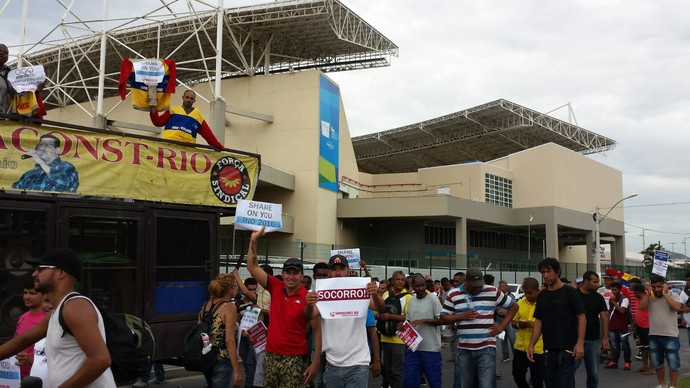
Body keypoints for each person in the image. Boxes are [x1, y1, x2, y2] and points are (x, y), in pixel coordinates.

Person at [0, 248, 116, 387]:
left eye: (41, 269)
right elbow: (24, 339)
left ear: (61, 273)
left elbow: (101, 360)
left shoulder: (75, 307)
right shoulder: (57, 312)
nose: (34, 273)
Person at [246, 227, 321, 387]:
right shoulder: (276, 286)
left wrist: (315, 363)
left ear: (301, 276)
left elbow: (317, 331)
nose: (291, 276)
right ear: (283, 273)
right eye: (288, 272)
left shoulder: (307, 297)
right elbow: (252, 267)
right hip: (271, 356)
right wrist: (254, 240)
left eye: (295, 273)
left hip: (294, 359)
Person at [304, 254, 383, 388]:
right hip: (332, 364)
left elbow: (379, 307)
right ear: (329, 272)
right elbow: (309, 315)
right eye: (334, 269)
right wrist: (309, 304)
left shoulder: (360, 288)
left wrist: (375, 295)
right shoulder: (322, 292)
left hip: (358, 364)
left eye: (342, 268)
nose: (338, 272)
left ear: (348, 270)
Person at [440, 268, 518, 388]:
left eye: (479, 285)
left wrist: (502, 326)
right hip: (464, 349)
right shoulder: (454, 294)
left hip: (486, 348)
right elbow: (443, 317)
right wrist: (462, 316)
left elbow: (514, 306)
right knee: (465, 385)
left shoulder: (492, 291)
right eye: (474, 286)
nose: (477, 288)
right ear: (466, 281)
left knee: (486, 385)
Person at [527, 258, 585, 388]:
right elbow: (539, 321)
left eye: (549, 271)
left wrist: (580, 343)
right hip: (549, 350)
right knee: (551, 383)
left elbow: (582, 318)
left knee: (565, 384)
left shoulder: (570, 292)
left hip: (568, 349)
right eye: (543, 272)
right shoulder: (542, 295)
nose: (546, 275)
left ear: (558, 272)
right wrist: (532, 345)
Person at [198, 272, 243, 388]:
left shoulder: (206, 305)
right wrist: (236, 369)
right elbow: (229, 340)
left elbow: (200, 331)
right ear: (230, 289)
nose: (237, 289)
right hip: (222, 358)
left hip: (207, 356)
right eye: (236, 286)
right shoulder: (229, 307)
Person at [638, 274, 683, 388]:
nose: (657, 289)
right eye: (654, 287)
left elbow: (677, 308)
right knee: (657, 363)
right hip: (654, 334)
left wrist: (665, 294)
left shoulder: (673, 295)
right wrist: (648, 293)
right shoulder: (650, 297)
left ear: (664, 285)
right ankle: (662, 384)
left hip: (670, 335)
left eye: (659, 287)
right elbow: (641, 307)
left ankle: (672, 385)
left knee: (673, 363)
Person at [403, 274, 443, 388]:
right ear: (413, 286)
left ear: (425, 285)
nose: (420, 288)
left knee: (434, 382)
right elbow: (409, 321)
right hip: (413, 349)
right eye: (417, 286)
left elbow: (442, 320)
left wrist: (425, 320)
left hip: (431, 349)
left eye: (422, 285)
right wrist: (402, 326)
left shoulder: (433, 299)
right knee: (409, 382)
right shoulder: (411, 300)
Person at [149, 89, 224, 150]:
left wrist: (219, 146)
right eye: (187, 97)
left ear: (194, 101)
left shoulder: (197, 114)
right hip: (168, 145)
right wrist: (153, 107)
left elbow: (208, 134)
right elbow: (157, 122)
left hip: (187, 150)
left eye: (191, 99)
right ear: (183, 97)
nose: (189, 100)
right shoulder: (172, 110)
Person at [378, 270, 412, 388]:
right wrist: (377, 314)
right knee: (387, 370)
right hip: (384, 337)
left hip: (399, 339)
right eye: (398, 279)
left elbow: (409, 317)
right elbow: (378, 309)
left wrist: (390, 316)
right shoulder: (386, 294)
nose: (400, 282)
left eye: (403, 280)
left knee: (396, 371)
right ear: (392, 281)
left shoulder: (408, 297)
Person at [12, 134, 79, 192]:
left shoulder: (66, 166)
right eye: (40, 145)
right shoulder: (28, 174)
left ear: (57, 150)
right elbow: (15, 192)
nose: (42, 148)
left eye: (47, 145)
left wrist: (41, 162)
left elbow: (63, 184)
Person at [576, 271, 609, 388]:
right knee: (569, 371)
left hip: (593, 339)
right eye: (594, 282)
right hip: (574, 340)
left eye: (598, 282)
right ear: (586, 281)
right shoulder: (574, 295)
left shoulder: (599, 298)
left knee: (593, 373)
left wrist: (605, 338)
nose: (597, 285)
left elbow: (604, 318)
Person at [511, 277, 544, 388]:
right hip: (520, 347)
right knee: (517, 375)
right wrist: (521, 324)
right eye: (525, 293)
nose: (527, 295)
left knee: (537, 379)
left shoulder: (544, 304)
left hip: (538, 348)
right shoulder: (519, 303)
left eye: (530, 293)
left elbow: (551, 325)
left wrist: (535, 325)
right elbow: (513, 322)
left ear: (537, 290)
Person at [14, 279, 46, 379]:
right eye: (25, 293)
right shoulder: (23, 317)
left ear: (44, 295)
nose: (27, 297)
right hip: (18, 377)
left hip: (39, 378)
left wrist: (32, 360)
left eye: (32, 293)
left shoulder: (48, 318)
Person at [233, 271, 259, 388]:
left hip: (253, 337)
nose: (252, 292)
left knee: (250, 362)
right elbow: (237, 319)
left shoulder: (256, 299)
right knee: (246, 363)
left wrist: (237, 276)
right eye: (250, 289)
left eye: (254, 289)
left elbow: (245, 292)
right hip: (242, 337)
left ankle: (250, 385)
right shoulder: (239, 303)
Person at [605, 281, 631, 370]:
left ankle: (627, 362)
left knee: (625, 345)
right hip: (613, 325)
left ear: (620, 290)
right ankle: (614, 361)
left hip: (623, 326)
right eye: (612, 289)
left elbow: (622, 311)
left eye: (615, 289)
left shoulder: (624, 299)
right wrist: (608, 323)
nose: (613, 291)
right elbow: (609, 311)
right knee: (614, 345)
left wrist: (614, 302)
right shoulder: (611, 299)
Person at [630, 283, 653, 374]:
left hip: (647, 326)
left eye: (633, 292)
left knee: (649, 347)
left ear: (637, 291)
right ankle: (644, 366)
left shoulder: (648, 297)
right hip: (639, 326)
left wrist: (648, 291)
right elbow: (637, 313)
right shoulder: (637, 299)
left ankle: (652, 368)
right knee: (642, 347)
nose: (633, 294)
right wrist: (633, 325)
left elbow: (643, 307)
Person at [497, 280, 516, 363]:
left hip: (508, 319)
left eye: (503, 286)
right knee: (502, 338)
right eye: (500, 287)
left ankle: (516, 355)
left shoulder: (510, 296)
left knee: (512, 337)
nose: (501, 288)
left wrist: (506, 312)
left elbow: (513, 307)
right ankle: (505, 356)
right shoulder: (497, 296)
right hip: (499, 319)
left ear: (506, 287)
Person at [0, 43, 16, 112]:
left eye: (5, 52)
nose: (2, 53)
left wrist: (34, 89)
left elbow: (16, 93)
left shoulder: (9, 75)